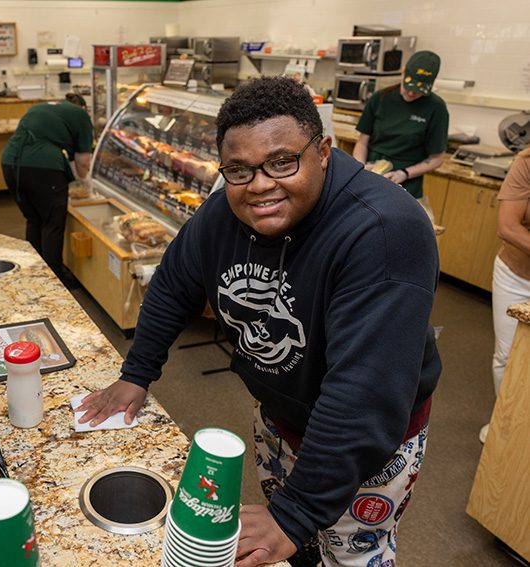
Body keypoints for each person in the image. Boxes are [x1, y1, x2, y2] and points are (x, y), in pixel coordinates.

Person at [77, 77, 440, 567]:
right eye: (239, 169)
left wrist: (297, 512)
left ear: (324, 151)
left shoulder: (383, 230)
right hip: (278, 416)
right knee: (296, 554)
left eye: (282, 161)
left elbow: (364, 393)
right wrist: (136, 374)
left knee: (349, 556)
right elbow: (173, 283)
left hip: (365, 446)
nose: (261, 185)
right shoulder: (230, 206)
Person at [1, 93, 93, 282]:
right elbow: (83, 161)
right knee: (52, 223)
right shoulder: (81, 114)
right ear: (82, 107)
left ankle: (36, 269)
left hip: (10, 163)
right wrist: (86, 184)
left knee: (34, 219)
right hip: (43, 168)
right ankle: (55, 278)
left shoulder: (42, 107)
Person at [481, 147, 530, 443]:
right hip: (517, 276)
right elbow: (508, 227)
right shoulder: (526, 163)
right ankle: (508, 427)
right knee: (508, 356)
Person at [353, 50, 449, 198]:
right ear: (403, 72)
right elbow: (362, 143)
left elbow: (437, 159)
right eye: (409, 87)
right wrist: (361, 168)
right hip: (372, 175)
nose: (411, 94)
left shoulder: (436, 108)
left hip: (407, 184)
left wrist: (404, 173)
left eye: (418, 91)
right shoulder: (380, 98)